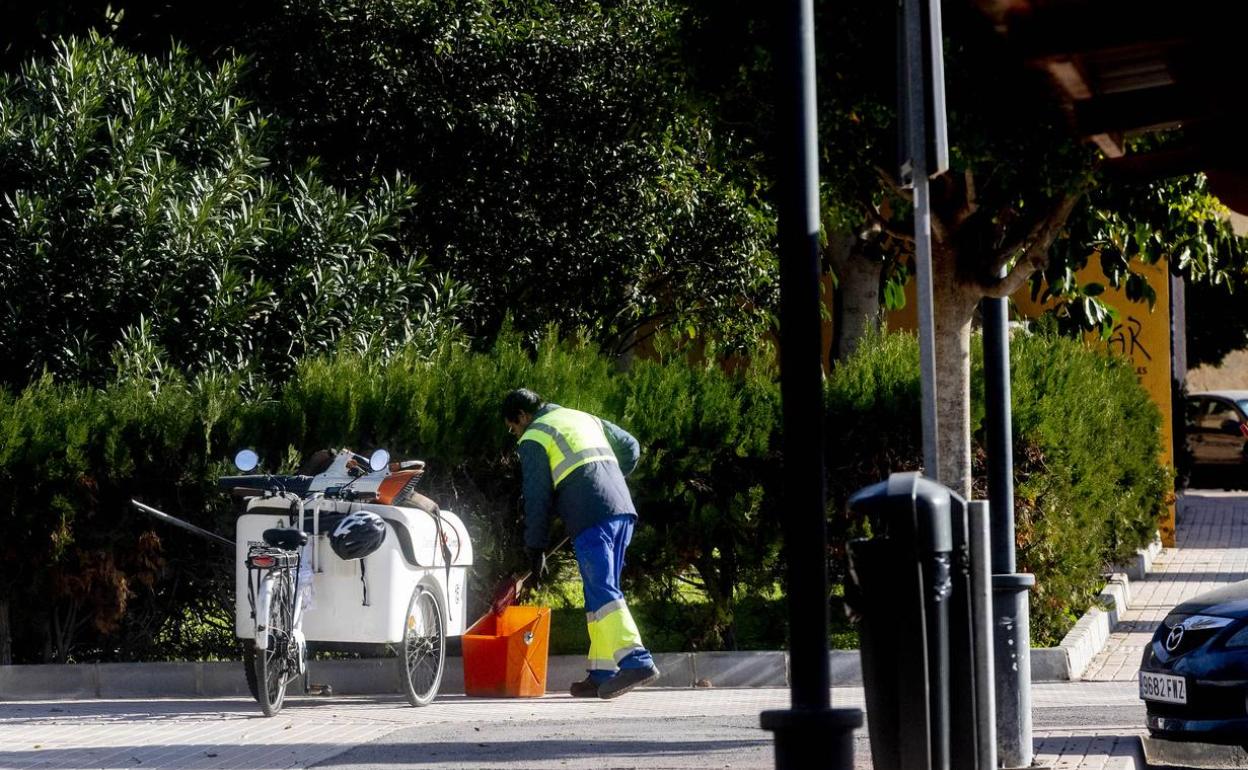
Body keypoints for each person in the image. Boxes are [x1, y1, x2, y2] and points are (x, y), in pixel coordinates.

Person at [501, 388, 660, 699]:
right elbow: (630, 446)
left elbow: (537, 497)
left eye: (513, 426)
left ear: (522, 416)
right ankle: (602, 673)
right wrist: (608, 479)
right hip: (621, 508)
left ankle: (637, 661)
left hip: (591, 514)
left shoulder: (535, 435)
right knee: (599, 590)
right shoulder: (581, 417)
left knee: (601, 587)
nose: (515, 433)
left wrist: (535, 547)